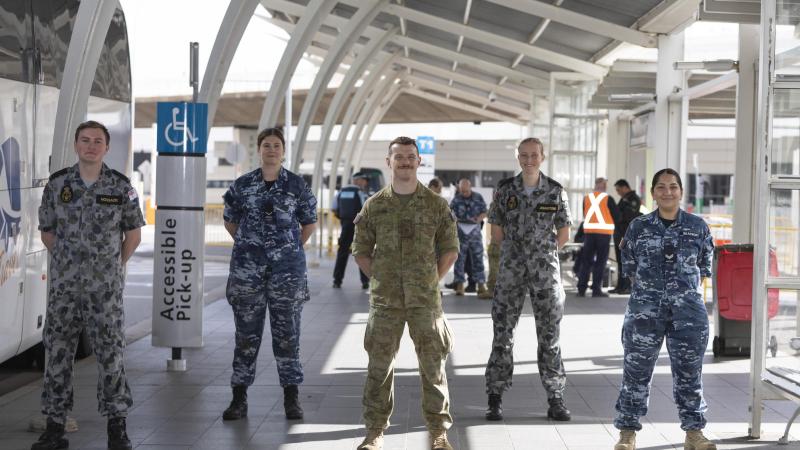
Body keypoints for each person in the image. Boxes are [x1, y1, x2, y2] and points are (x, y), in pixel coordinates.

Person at [34, 120, 144, 450]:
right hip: (65, 291)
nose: (91, 146)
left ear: (107, 148)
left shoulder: (121, 186)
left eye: (98, 141)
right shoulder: (58, 185)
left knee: (111, 356)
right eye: (85, 140)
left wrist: (111, 267)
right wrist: (71, 263)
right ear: (76, 145)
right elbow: (47, 232)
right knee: (57, 356)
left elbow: (133, 235)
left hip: (105, 293)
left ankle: (117, 427)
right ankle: (54, 428)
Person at [353, 136, 459, 450]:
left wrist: (428, 280)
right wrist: (383, 280)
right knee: (379, 366)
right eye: (398, 157)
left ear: (419, 161)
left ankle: (438, 431)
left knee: (433, 366)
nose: (405, 162)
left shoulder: (436, 205)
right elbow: (360, 251)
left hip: (425, 301)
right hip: (385, 302)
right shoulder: (375, 205)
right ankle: (374, 432)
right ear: (389, 162)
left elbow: (450, 251)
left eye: (410, 157)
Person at [613, 168, 716, 450]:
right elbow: (629, 265)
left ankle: (694, 433)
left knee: (689, 373)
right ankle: (627, 434)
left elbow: (705, 266)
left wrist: (680, 293)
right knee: (635, 373)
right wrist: (651, 292)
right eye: (661, 187)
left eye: (673, 186)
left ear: (681, 191)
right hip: (645, 311)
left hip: (688, 314)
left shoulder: (698, 226)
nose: (667, 192)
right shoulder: (638, 226)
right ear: (653, 193)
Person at [221, 127, 317, 422]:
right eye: (266, 145)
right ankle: (239, 399)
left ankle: (291, 397)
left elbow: (309, 224)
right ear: (259, 150)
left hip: (286, 275)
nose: (271, 150)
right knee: (245, 336)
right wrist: (254, 248)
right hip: (248, 273)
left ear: (283, 151)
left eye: (276, 145)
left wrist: (285, 250)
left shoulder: (297, 186)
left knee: (288, 336)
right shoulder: (242, 185)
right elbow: (230, 222)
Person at [484, 137, 572, 422]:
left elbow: (564, 232)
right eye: (524, 155)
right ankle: (495, 397)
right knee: (502, 335)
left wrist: (542, 253)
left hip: (545, 275)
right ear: (518, 157)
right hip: (511, 271)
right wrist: (516, 250)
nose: (529, 159)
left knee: (550, 337)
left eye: (534, 155)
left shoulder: (555, 191)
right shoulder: (505, 190)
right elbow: (495, 228)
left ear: (542, 157)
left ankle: (555, 397)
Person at [577, 177, 619, 298]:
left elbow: (584, 214)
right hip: (603, 234)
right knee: (600, 262)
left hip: (589, 234)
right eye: (605, 184)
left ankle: (581, 288)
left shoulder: (586, 198)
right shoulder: (607, 198)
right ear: (603, 185)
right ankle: (596, 289)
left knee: (586, 262)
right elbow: (617, 216)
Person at [449, 178, 488, 296]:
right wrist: (455, 220)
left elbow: (485, 212)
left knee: (478, 258)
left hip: (475, 233)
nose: (464, 193)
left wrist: (478, 219)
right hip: (461, 233)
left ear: (470, 187)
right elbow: (450, 213)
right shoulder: (456, 199)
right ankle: (459, 284)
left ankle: (481, 284)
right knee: (459, 259)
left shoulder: (478, 197)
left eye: (466, 191)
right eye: (462, 191)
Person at [332, 172, 370, 289]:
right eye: (363, 180)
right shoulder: (360, 192)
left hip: (345, 226)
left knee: (342, 252)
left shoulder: (341, 192)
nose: (365, 183)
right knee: (361, 252)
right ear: (357, 180)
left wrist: (344, 220)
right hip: (358, 227)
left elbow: (334, 208)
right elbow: (366, 210)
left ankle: (337, 280)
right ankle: (365, 281)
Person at [610, 179, 642, 295]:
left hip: (626, 234)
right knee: (620, 261)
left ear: (625, 187)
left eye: (619, 190)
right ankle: (620, 286)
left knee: (627, 261)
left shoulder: (633, 199)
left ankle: (627, 287)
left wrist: (618, 213)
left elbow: (628, 216)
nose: (618, 192)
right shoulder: (624, 199)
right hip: (619, 233)